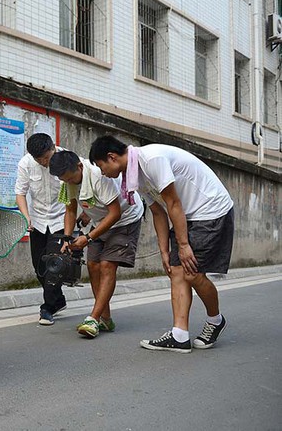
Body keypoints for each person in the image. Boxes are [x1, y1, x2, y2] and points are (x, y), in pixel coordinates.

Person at [89, 135, 233, 353]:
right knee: (177, 270)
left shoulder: (152, 159)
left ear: (112, 157)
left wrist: (183, 245)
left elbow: (173, 202)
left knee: (191, 272)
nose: (102, 172)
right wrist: (164, 250)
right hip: (187, 215)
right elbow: (158, 212)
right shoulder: (135, 176)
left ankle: (215, 320)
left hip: (210, 210)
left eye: (100, 166)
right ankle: (179, 335)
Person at [49, 150, 143, 338]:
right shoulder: (67, 181)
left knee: (107, 265)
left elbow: (115, 213)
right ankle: (105, 319)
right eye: (64, 179)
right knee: (93, 265)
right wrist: (67, 239)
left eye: (70, 178)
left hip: (125, 219)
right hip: (99, 221)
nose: (68, 182)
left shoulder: (99, 176)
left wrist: (88, 238)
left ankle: (93, 318)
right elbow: (70, 210)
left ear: (79, 167)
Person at [15, 133, 69, 325]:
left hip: (61, 219)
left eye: (47, 157)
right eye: (41, 160)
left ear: (53, 147)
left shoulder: (66, 158)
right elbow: (20, 193)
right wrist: (26, 217)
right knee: (39, 267)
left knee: (54, 264)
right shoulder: (26, 164)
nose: (45, 162)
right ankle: (58, 299)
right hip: (37, 221)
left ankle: (47, 308)